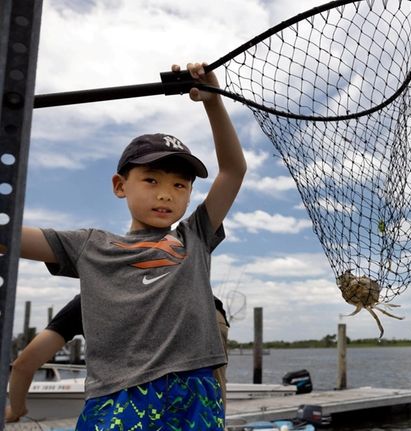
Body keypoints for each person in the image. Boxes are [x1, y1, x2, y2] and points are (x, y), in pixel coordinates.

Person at [19, 62, 246, 430]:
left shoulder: (195, 236)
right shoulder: (90, 245)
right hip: (118, 396)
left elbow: (233, 171)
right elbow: (12, 236)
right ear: (120, 185)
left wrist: (213, 103)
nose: (165, 194)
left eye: (179, 185)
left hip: (194, 389)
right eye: (151, 179)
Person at [4, 294, 231, 423]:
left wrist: (16, 410)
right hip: (206, 311)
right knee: (205, 402)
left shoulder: (88, 300)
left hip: (199, 311)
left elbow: (25, 364)